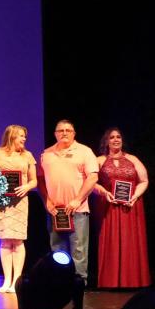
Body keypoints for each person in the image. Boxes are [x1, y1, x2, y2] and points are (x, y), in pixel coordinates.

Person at [0, 124, 37, 293]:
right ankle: (7, 280)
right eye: (21, 136)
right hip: (1, 202)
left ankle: (16, 282)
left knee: (18, 240)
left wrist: (26, 187)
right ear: (11, 136)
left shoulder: (28, 156)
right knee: (5, 240)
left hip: (19, 202)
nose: (24, 139)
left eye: (25, 136)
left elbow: (34, 181)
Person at [39, 119, 98, 282]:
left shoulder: (85, 151)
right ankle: (59, 282)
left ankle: (79, 283)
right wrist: (47, 201)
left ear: (74, 134)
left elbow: (93, 177)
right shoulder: (47, 154)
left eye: (68, 130)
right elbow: (40, 180)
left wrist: (77, 200)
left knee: (78, 250)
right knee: (57, 250)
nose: (64, 133)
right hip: (55, 211)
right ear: (55, 134)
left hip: (77, 209)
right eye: (60, 130)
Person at [92, 128, 151, 288]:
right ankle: (110, 282)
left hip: (130, 206)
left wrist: (134, 196)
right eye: (112, 137)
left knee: (130, 242)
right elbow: (90, 182)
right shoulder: (99, 160)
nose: (116, 139)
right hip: (109, 207)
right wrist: (104, 192)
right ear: (106, 141)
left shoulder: (133, 159)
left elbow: (144, 180)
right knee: (111, 242)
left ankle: (133, 281)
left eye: (118, 137)